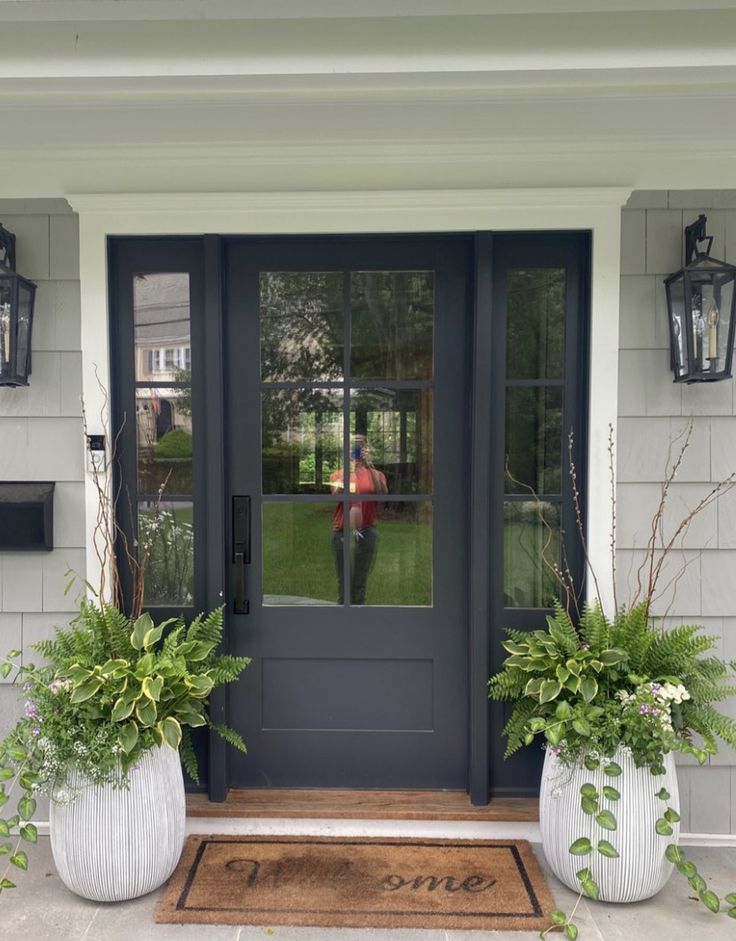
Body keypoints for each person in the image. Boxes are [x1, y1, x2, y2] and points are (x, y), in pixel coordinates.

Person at [330, 435, 388, 605]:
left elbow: (383, 493)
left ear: (367, 450)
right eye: (352, 447)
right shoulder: (339, 474)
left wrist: (369, 465)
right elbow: (335, 494)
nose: (356, 451)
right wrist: (349, 468)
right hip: (342, 531)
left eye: (360, 447)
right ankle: (343, 621)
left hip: (367, 531)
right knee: (344, 582)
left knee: (360, 583)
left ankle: (359, 620)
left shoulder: (376, 474)